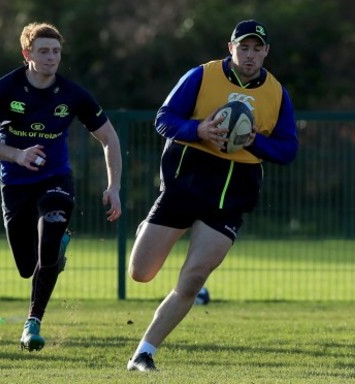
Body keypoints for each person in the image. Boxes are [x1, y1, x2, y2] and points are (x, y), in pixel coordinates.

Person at [126, 20, 298, 371]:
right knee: (141, 273)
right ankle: (149, 227)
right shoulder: (201, 76)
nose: (250, 55)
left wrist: (255, 141)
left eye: (257, 48)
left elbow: (288, 149)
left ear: (266, 52)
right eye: (244, 47)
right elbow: (164, 118)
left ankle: (144, 353)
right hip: (186, 182)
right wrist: (198, 129)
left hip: (233, 192)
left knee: (193, 278)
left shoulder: (277, 93)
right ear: (230, 47)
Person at [0, 22, 122, 351]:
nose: (51, 57)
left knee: (52, 232)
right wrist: (17, 154)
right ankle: (55, 250)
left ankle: (33, 322)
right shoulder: (5, 89)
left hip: (56, 179)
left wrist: (114, 186)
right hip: (15, 184)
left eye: (56, 51)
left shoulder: (73, 94)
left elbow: (109, 137)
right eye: (43, 51)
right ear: (27, 54)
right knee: (28, 266)